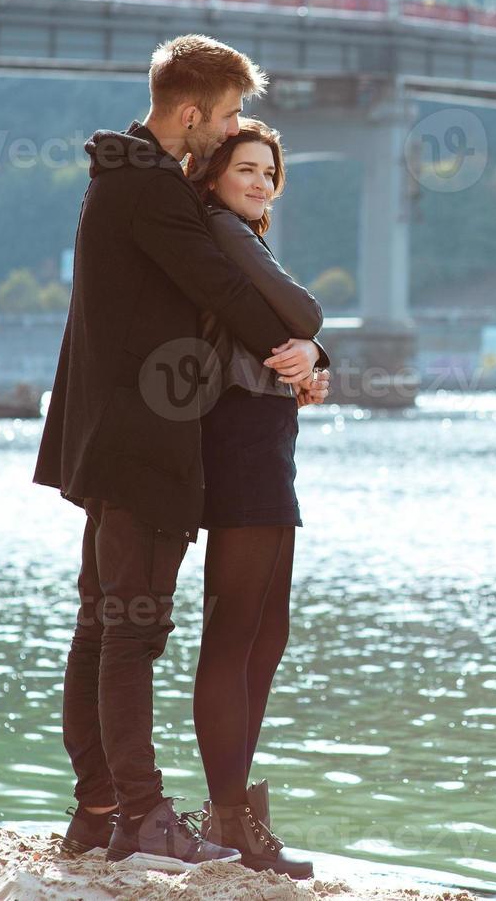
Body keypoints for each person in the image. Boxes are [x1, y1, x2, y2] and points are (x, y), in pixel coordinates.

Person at [32, 33, 320, 872]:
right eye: (227, 115)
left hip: (110, 434)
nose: (231, 129)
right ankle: (143, 816)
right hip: (142, 443)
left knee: (103, 623)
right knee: (131, 631)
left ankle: (97, 810)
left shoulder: (120, 177)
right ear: (190, 113)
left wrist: (308, 354)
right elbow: (225, 289)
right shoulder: (150, 189)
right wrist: (302, 349)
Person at [176, 117, 327, 879]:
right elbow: (301, 311)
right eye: (247, 167)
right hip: (239, 441)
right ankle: (230, 815)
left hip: (267, 440)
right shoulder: (223, 229)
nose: (262, 181)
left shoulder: (244, 240)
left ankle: (236, 809)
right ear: (213, 176)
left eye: (270, 171)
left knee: (268, 633)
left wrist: (310, 358)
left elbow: (285, 332)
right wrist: (312, 340)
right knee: (236, 633)